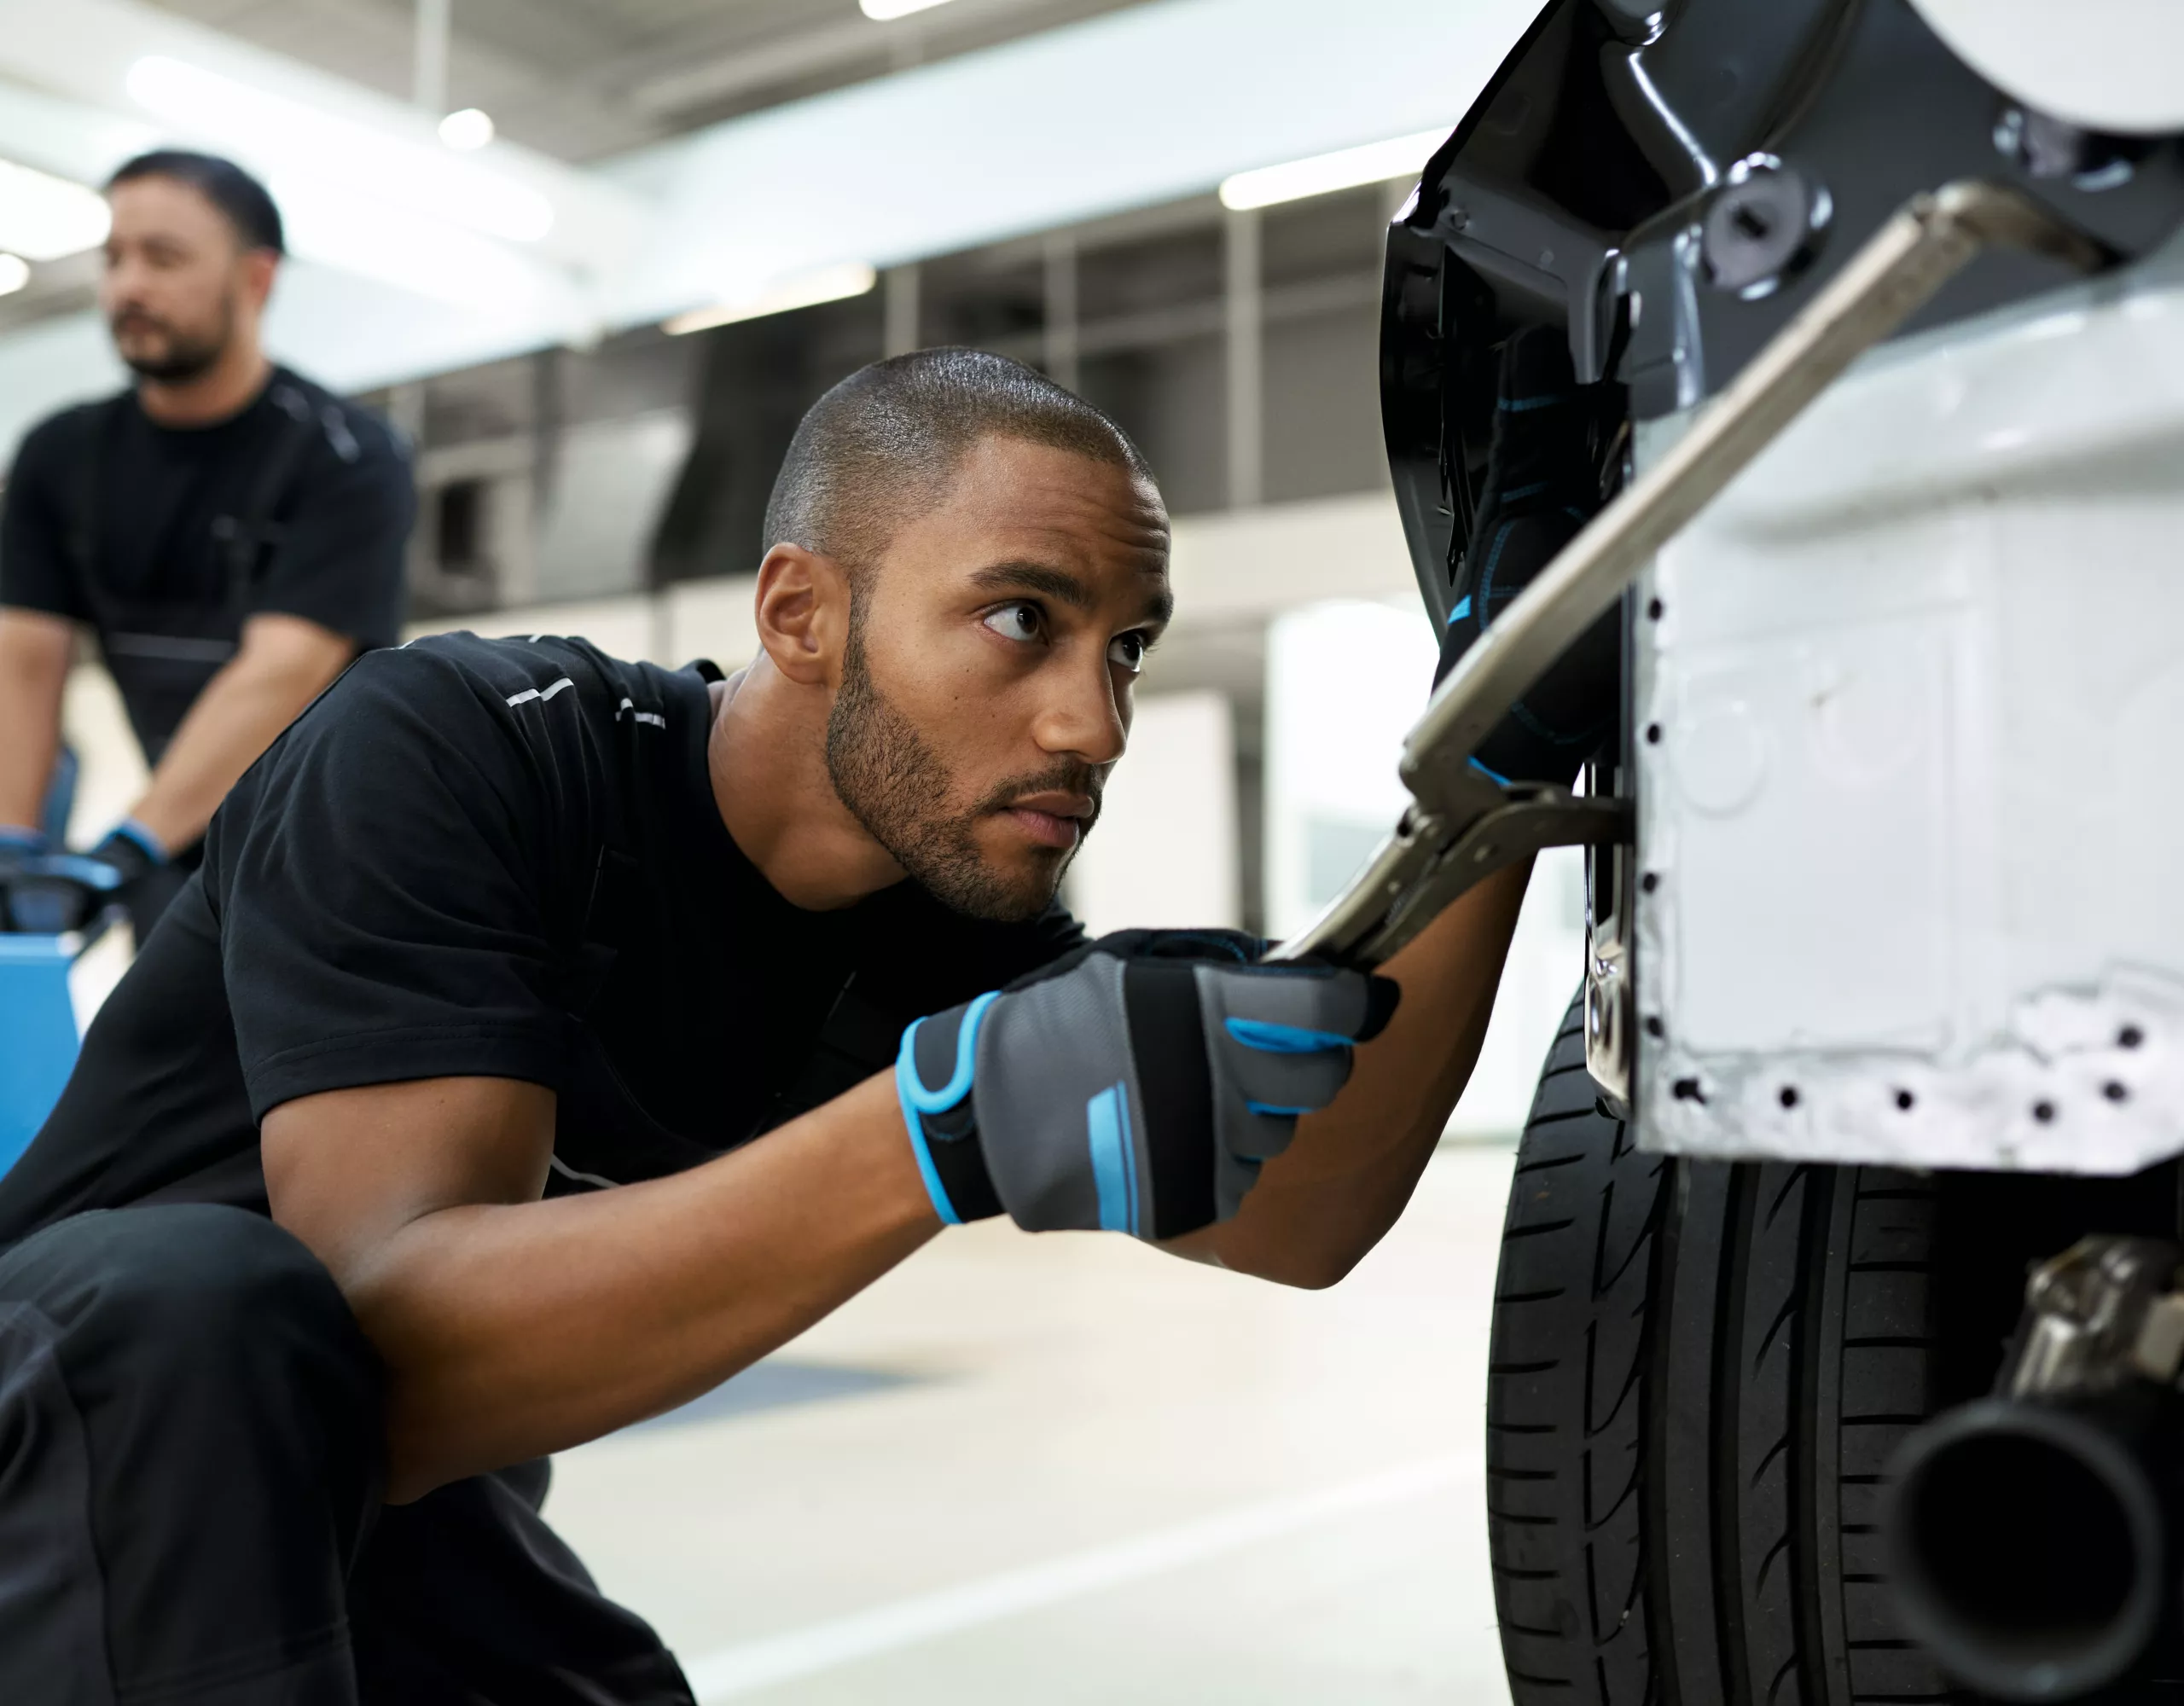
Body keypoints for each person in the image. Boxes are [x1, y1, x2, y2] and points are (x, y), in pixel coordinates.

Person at [0, 350, 1539, 1705]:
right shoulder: (459, 751)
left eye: (1124, 647)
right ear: (801, 613)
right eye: (1024, 619)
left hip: (349, 1515)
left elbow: (1304, 1208)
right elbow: (383, 1343)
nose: (1095, 722)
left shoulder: (941, 939)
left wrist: (1510, 739)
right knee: (198, 1297)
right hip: (61, 1451)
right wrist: (931, 1131)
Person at [0, 149, 412, 941]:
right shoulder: (58, 457)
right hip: (173, 846)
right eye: (115, 258)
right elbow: (25, 659)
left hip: (336, 854)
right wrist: (16, 846)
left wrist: (127, 846)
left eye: (165, 258)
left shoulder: (346, 456)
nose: (129, 287)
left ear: (256, 280)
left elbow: (280, 673)